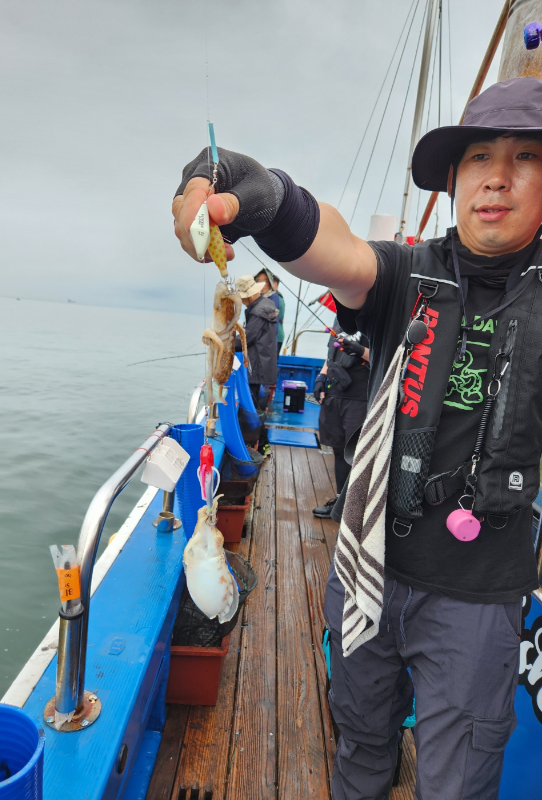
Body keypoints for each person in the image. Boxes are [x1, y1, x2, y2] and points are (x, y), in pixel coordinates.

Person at [173, 77, 542, 799]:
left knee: (458, 784)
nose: (497, 177)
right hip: (368, 568)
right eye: (479, 157)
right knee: (361, 750)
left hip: (477, 601)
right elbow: (333, 245)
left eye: (526, 157)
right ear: (454, 177)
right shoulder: (406, 273)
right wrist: (263, 199)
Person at [312, 322, 369, 519]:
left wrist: (360, 350)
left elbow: (386, 360)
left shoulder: (375, 319)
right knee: (338, 450)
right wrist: (321, 377)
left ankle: (355, 506)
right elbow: (331, 355)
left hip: (360, 397)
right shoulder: (340, 320)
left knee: (355, 452)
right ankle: (340, 501)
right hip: (335, 392)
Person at [234, 274, 279, 455]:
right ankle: (261, 445)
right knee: (256, 407)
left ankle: (258, 446)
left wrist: (224, 342)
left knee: (252, 409)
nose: (242, 301)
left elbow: (247, 338)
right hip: (263, 364)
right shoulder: (265, 306)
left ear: (249, 295)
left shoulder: (258, 311)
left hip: (257, 366)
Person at [254, 268, 286, 354]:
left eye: (266, 282)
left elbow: (274, 316)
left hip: (276, 336)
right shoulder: (268, 297)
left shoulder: (276, 298)